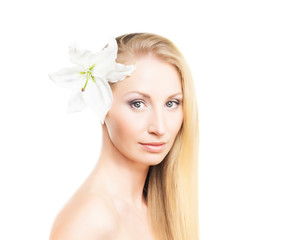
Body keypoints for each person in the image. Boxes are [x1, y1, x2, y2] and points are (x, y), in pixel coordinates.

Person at [49, 33, 199, 240]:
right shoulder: (89, 220)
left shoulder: (155, 208)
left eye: (171, 103)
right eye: (138, 104)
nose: (160, 127)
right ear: (101, 103)